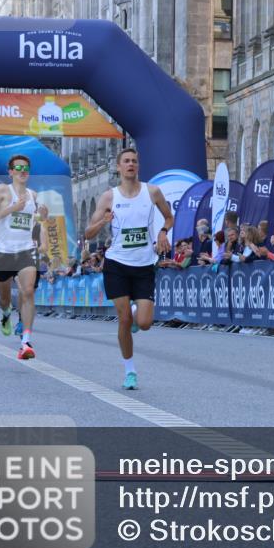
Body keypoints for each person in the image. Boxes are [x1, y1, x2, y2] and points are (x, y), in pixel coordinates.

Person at [85, 148, 173, 390]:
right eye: (126, 161)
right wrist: (103, 221)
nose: (131, 164)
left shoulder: (152, 191)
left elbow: (168, 217)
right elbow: (88, 233)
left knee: (144, 323)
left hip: (144, 264)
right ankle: (130, 370)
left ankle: (136, 314)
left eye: (134, 160)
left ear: (138, 166)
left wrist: (163, 232)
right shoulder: (108, 197)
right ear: (118, 167)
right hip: (117, 264)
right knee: (123, 319)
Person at [0, 154, 44, 358]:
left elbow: (35, 223)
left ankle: (25, 343)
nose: (22, 171)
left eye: (26, 167)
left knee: (27, 292)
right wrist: (11, 209)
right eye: (18, 167)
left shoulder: (34, 195)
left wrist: (43, 218)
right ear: (10, 172)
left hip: (25, 251)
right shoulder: (2, 191)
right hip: (3, 252)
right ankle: (7, 314)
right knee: (5, 298)